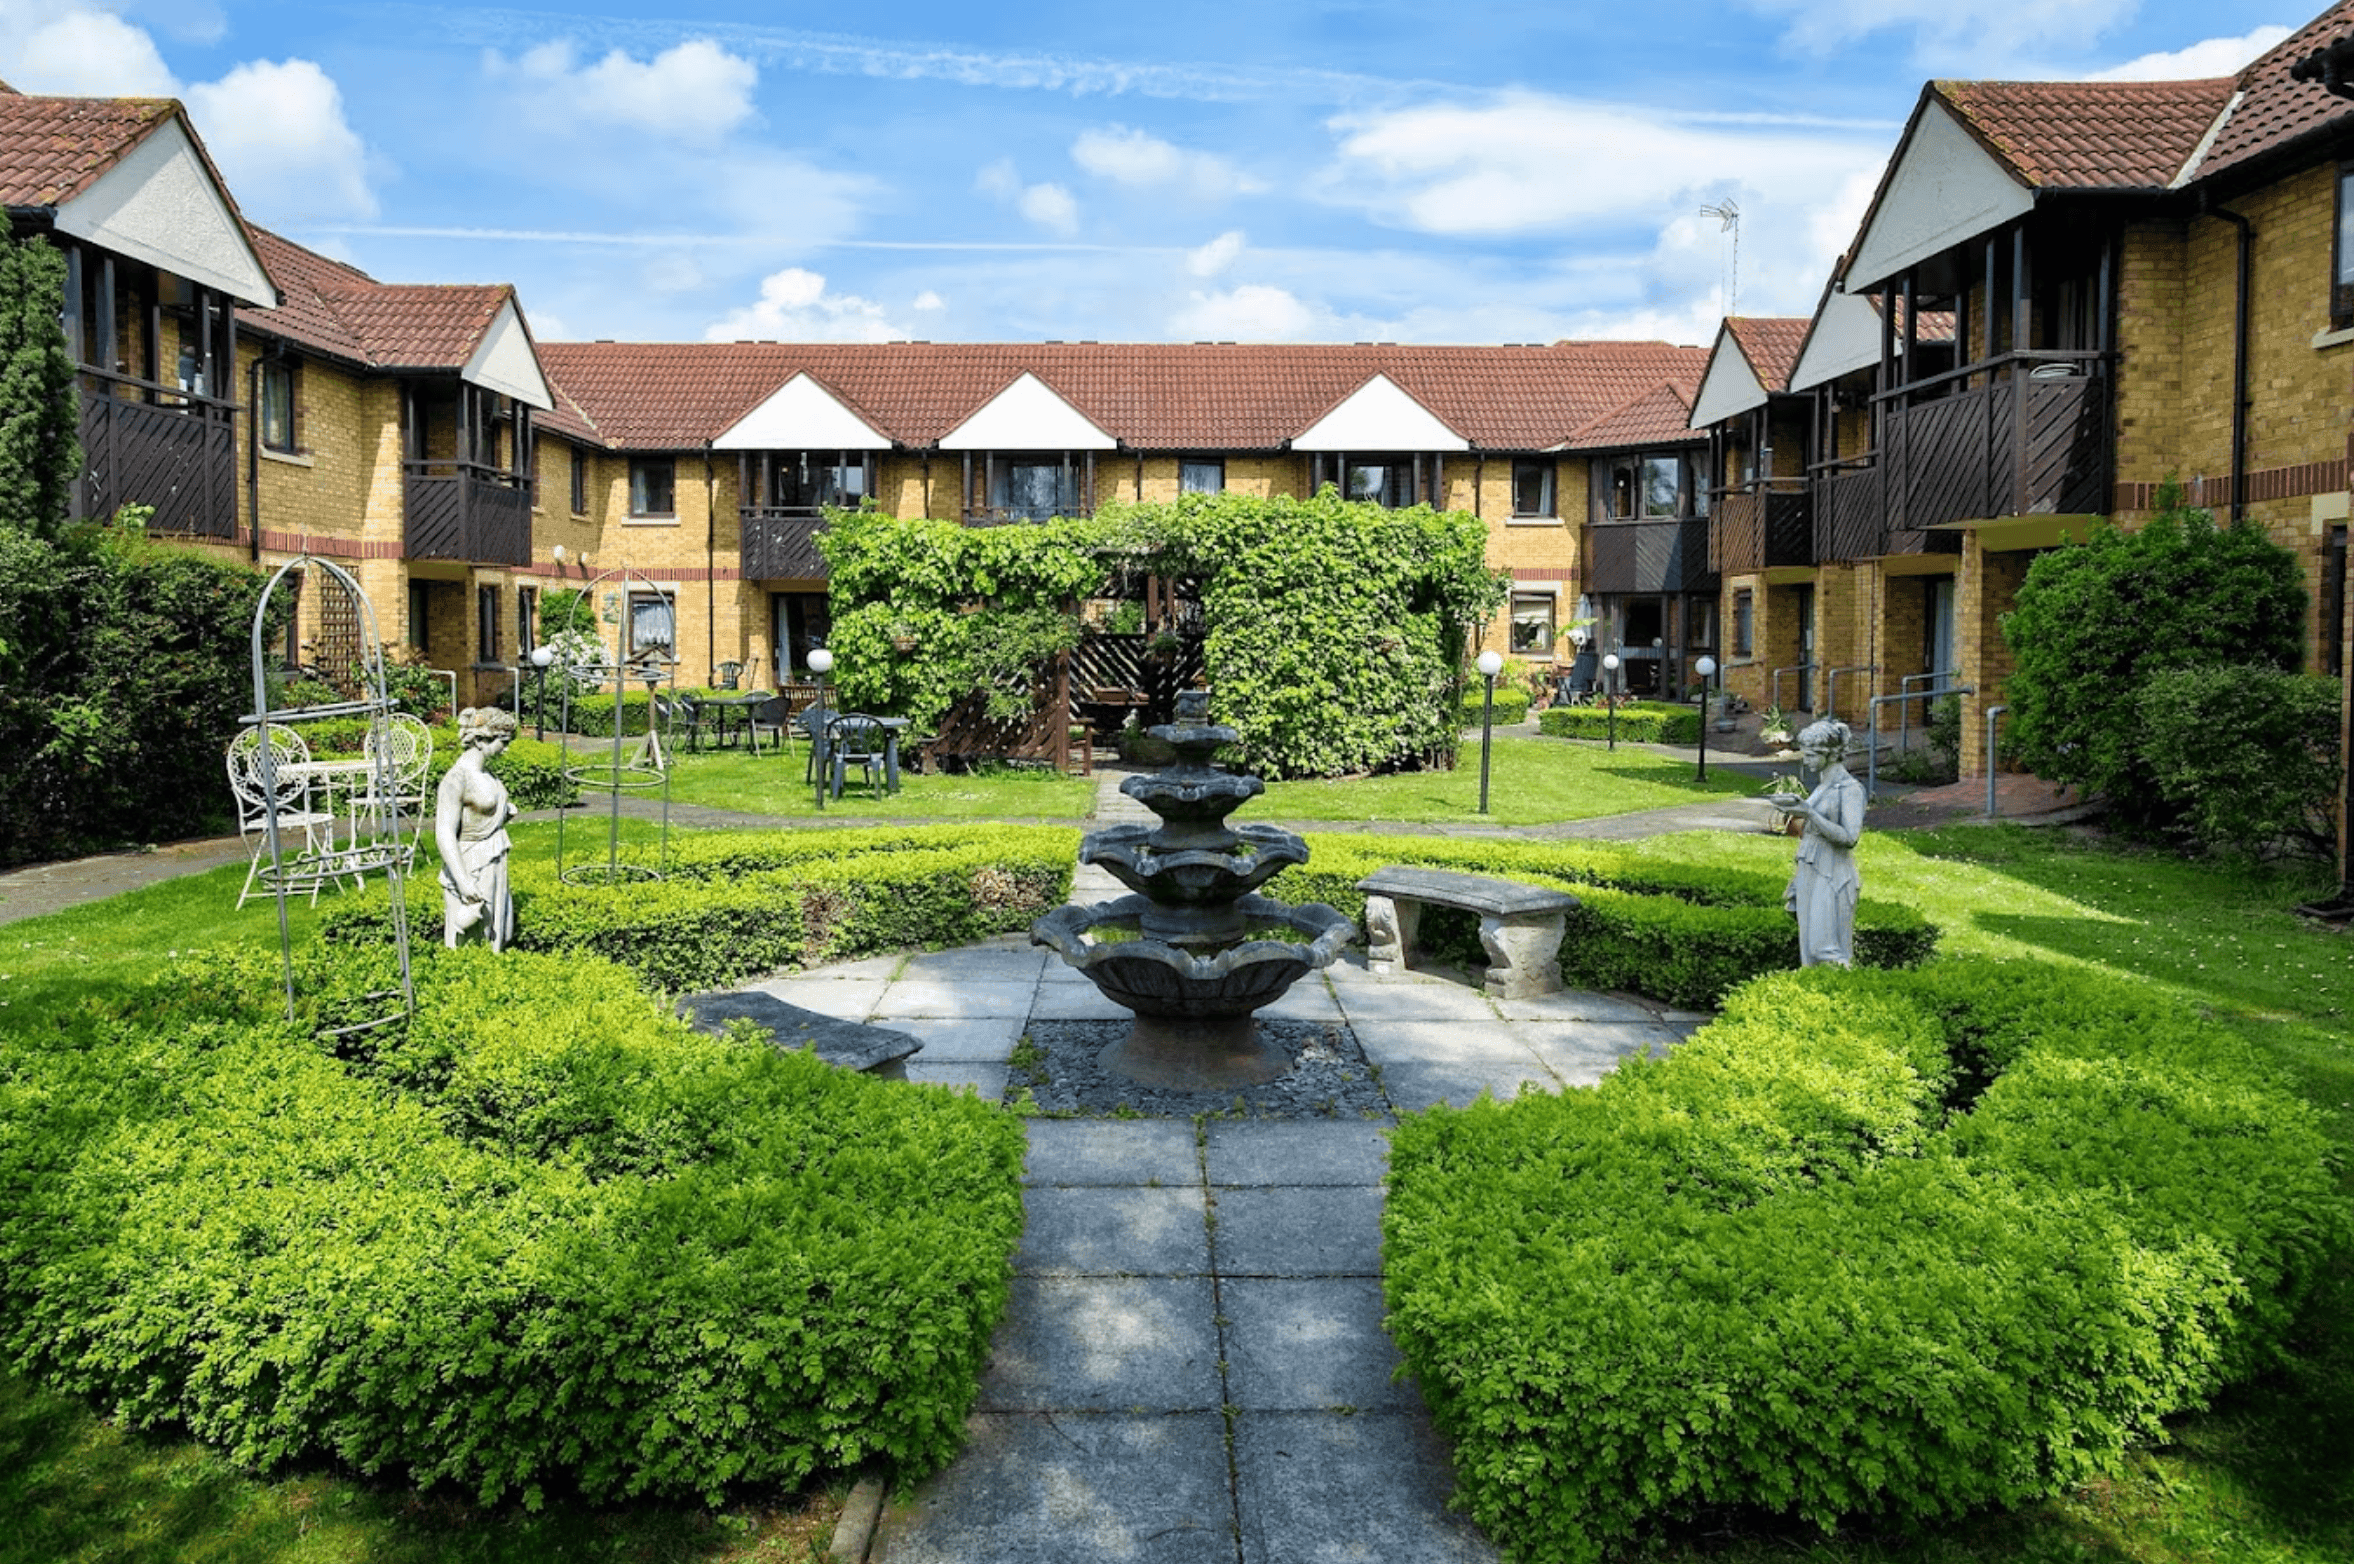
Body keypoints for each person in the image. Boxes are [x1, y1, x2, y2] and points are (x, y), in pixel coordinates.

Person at [1769, 717, 1866, 967]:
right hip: (1810, 865)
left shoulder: (1850, 789)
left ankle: (1844, 996)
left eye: (1811, 755)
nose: (1806, 760)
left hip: (1832, 872)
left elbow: (1849, 837)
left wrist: (1810, 813)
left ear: (1830, 754)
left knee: (1825, 948)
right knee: (1809, 952)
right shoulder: (1823, 787)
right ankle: (1815, 999)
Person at [436, 706, 519, 950]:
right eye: (503, 742)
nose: (506, 748)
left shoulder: (487, 774)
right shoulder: (456, 779)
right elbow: (444, 833)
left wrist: (504, 813)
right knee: (471, 933)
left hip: (494, 857)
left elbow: (480, 812)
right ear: (482, 740)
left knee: (494, 931)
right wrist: (462, 880)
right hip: (470, 863)